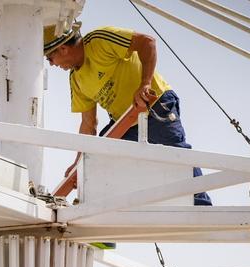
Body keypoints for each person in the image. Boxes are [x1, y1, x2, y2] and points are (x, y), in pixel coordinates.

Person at [44, 23, 212, 206]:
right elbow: (88, 123)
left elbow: (147, 42)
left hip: (154, 106)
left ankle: (202, 207)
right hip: (124, 122)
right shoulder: (76, 79)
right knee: (99, 159)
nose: (52, 64)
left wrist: (145, 84)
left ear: (63, 48)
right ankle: (107, 214)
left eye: (50, 58)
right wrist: (79, 163)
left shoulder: (99, 41)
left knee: (177, 158)